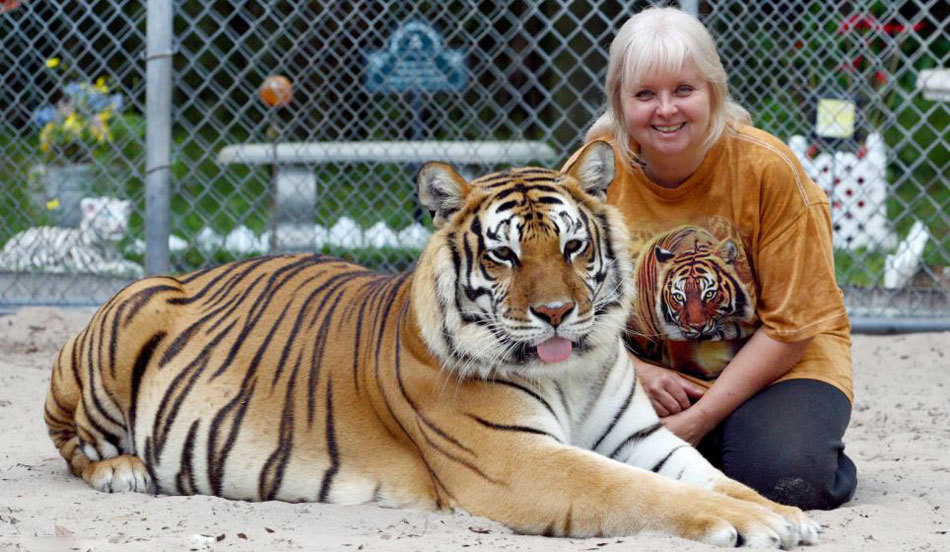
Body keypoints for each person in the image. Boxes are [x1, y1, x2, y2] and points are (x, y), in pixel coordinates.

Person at [567, 6, 857, 510]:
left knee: (788, 479)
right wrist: (635, 370)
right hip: (647, 373)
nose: (666, 110)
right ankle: (725, 444)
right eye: (644, 94)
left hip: (778, 365)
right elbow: (562, 301)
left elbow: (792, 328)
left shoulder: (769, 169)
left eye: (683, 90)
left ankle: (758, 439)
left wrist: (695, 422)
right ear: (619, 100)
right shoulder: (593, 172)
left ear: (713, 92)